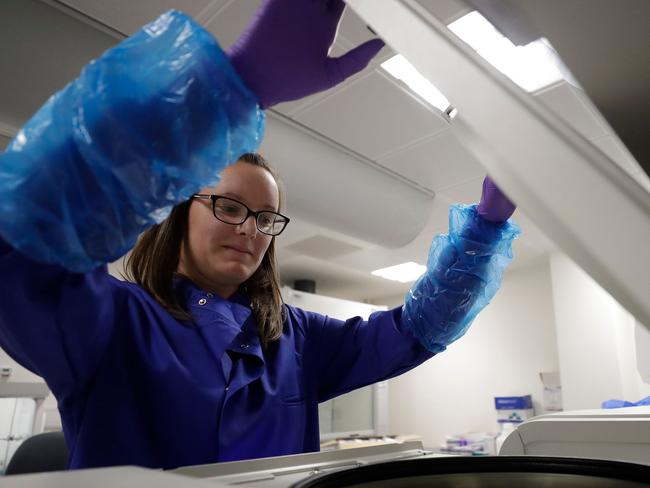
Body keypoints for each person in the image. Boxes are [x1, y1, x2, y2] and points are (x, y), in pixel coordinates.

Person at [0, 0, 519, 471]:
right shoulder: (109, 321)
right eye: (229, 207)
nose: (250, 230)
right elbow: (23, 242)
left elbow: (417, 330)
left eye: (266, 218)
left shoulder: (296, 339)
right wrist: (230, 88)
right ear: (179, 211)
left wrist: (487, 228)